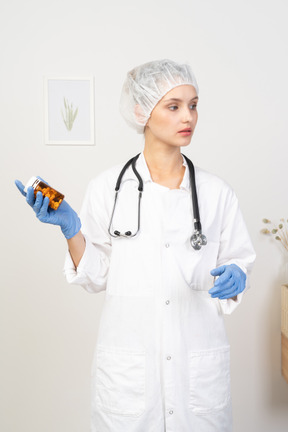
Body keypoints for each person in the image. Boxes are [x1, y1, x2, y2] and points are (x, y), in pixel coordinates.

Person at [15, 59, 256, 432]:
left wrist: (238, 273)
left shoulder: (215, 192)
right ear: (142, 110)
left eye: (192, 105)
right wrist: (71, 230)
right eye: (173, 106)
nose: (187, 116)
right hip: (129, 377)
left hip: (198, 376)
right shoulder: (107, 187)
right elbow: (96, 276)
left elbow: (238, 257)